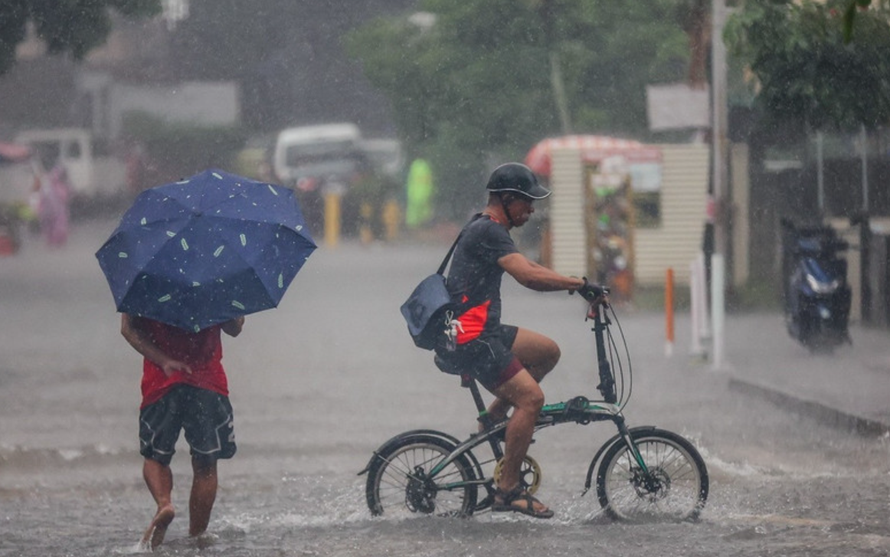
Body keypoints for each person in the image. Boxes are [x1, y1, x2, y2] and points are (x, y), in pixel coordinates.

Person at [435, 162, 603, 519]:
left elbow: (533, 269)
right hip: (472, 338)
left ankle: (495, 418)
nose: (531, 210)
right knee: (531, 399)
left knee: (547, 352)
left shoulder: (486, 227)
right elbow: (529, 276)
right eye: (527, 202)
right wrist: (579, 284)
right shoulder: (490, 231)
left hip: (481, 330)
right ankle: (508, 489)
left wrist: (577, 283)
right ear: (508, 199)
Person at [120, 313, 245, 550]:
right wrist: (231, 307)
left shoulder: (146, 278)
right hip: (207, 384)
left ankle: (164, 503)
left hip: (161, 381)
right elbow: (234, 329)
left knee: (155, 457)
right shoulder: (216, 278)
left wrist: (164, 360)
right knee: (206, 464)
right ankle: (196, 536)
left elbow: (128, 329)